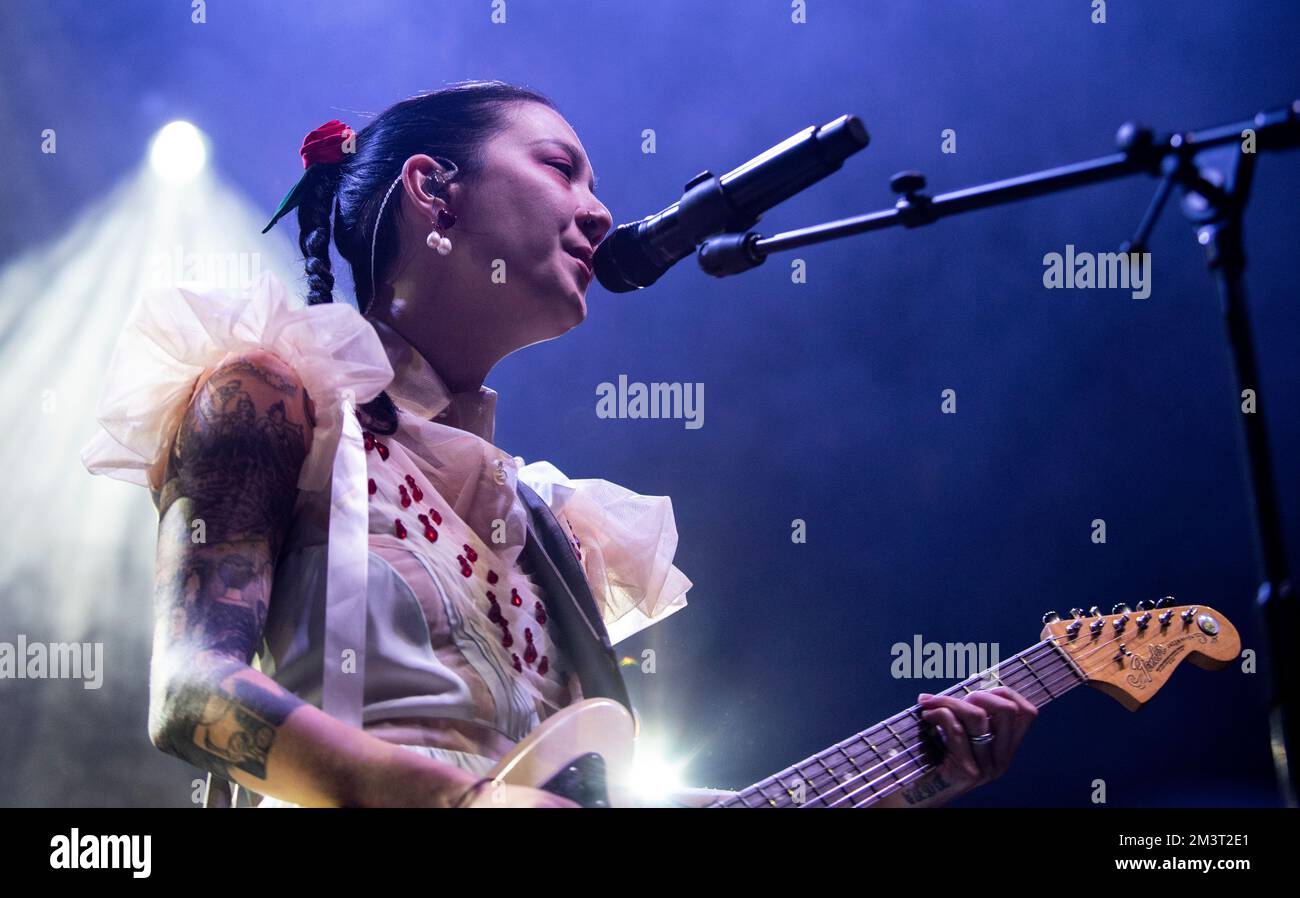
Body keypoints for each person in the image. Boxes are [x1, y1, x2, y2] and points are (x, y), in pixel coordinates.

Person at [82, 80, 1035, 808]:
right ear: (433, 193)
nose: (601, 213)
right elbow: (192, 695)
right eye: (560, 168)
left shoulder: (549, 523)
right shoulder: (272, 397)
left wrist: (911, 778)